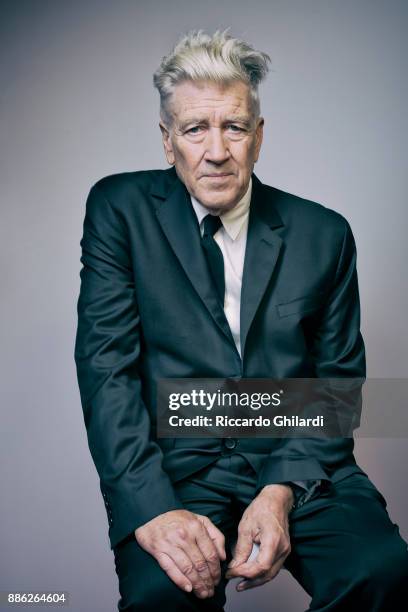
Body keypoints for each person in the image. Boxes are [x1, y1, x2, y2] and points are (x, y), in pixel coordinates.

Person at [74, 30, 408, 611]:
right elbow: (108, 372)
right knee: (161, 600)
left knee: (383, 573)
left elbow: (338, 385)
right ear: (167, 140)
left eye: (233, 126)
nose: (216, 150)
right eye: (194, 129)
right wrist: (151, 508)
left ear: (258, 135)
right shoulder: (119, 210)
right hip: (175, 470)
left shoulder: (324, 234)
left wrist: (279, 490)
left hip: (299, 459)